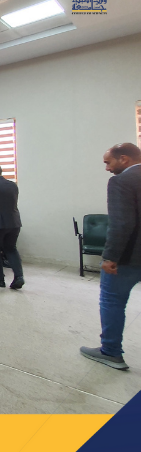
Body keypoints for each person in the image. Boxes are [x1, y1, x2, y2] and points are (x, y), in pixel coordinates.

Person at [80, 143, 141, 370]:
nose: (107, 168)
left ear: (124, 159)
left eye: (108, 162)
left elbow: (121, 223)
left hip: (128, 257)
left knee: (112, 301)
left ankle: (111, 351)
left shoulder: (121, 181)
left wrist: (110, 257)